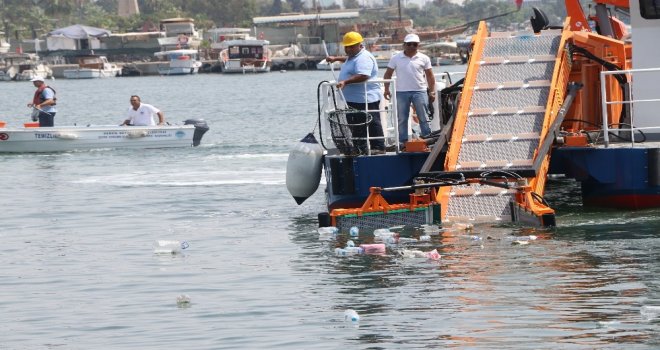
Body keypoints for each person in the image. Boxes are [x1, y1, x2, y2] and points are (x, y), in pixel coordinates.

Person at [326, 31, 385, 154]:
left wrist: (345, 82)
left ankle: (378, 147)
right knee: (356, 124)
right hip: (354, 98)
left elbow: (363, 75)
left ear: (360, 45)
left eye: (352, 46)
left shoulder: (364, 57)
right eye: (346, 46)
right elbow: (348, 60)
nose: (348, 49)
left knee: (372, 122)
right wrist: (335, 58)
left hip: (366, 97)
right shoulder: (354, 56)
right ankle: (360, 148)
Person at [383, 33, 436, 144]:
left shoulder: (424, 58)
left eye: (414, 44)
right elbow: (388, 74)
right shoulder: (395, 58)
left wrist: (432, 91)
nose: (412, 46)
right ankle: (403, 142)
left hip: (420, 91)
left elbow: (430, 76)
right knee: (402, 118)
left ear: (418, 45)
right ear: (404, 45)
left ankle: (427, 139)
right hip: (401, 92)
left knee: (424, 117)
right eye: (409, 44)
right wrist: (386, 89)